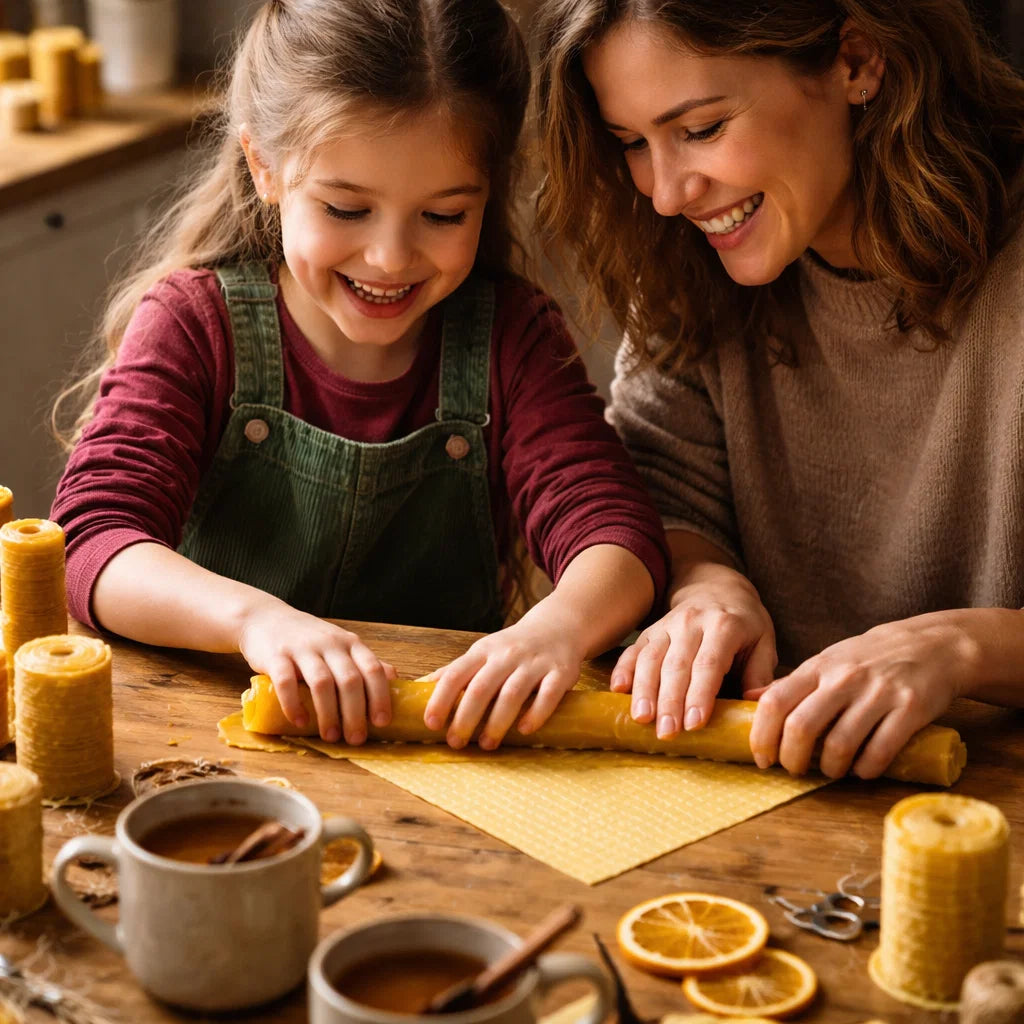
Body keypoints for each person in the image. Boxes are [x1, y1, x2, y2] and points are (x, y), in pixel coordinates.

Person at [51, 0, 670, 751]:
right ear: (265, 168)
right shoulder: (194, 325)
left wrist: (556, 631)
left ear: (489, 193)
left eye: (443, 216)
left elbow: (618, 535)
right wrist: (258, 621)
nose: (389, 258)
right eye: (346, 208)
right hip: (205, 746)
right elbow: (93, 538)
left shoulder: (511, 338)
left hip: (440, 757)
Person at [533, 0, 1024, 779]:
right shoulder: (680, 262)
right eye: (632, 143)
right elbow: (665, 488)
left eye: (700, 130)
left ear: (857, 63)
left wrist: (961, 648)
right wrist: (706, 585)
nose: (666, 193)